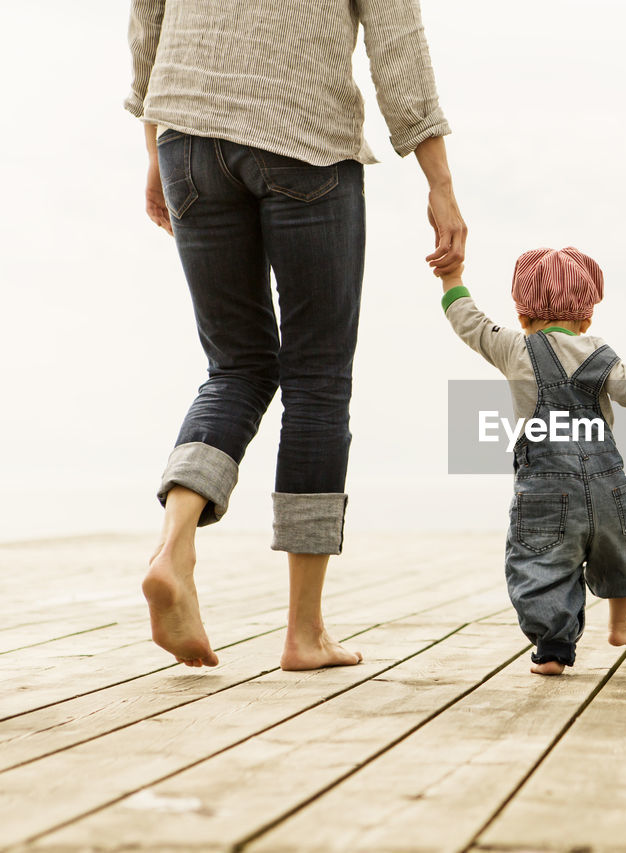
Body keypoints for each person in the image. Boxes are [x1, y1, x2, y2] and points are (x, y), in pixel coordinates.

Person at [125, 0, 466, 670]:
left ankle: (173, 547)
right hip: (302, 137)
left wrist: (155, 146)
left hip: (187, 138)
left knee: (236, 367)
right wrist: (441, 184)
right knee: (317, 379)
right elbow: (399, 42)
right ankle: (304, 632)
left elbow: (147, 18)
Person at [438, 248, 626, 674]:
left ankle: (552, 650)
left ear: (522, 317)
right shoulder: (598, 352)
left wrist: (452, 278)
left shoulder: (514, 348)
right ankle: (620, 625)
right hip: (606, 482)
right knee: (624, 551)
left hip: (544, 487)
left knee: (542, 564)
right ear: (586, 319)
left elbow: (470, 323)